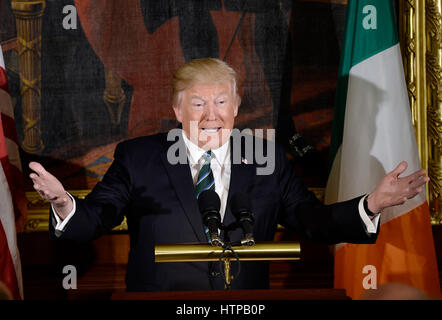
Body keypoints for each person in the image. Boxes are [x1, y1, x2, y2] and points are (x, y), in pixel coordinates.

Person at [29, 58, 428, 292]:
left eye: (221, 101)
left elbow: (311, 220)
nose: (211, 115)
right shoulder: (139, 157)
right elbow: (96, 217)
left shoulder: (265, 157)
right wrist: (65, 204)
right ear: (177, 109)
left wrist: (371, 205)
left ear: (237, 107)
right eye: (198, 103)